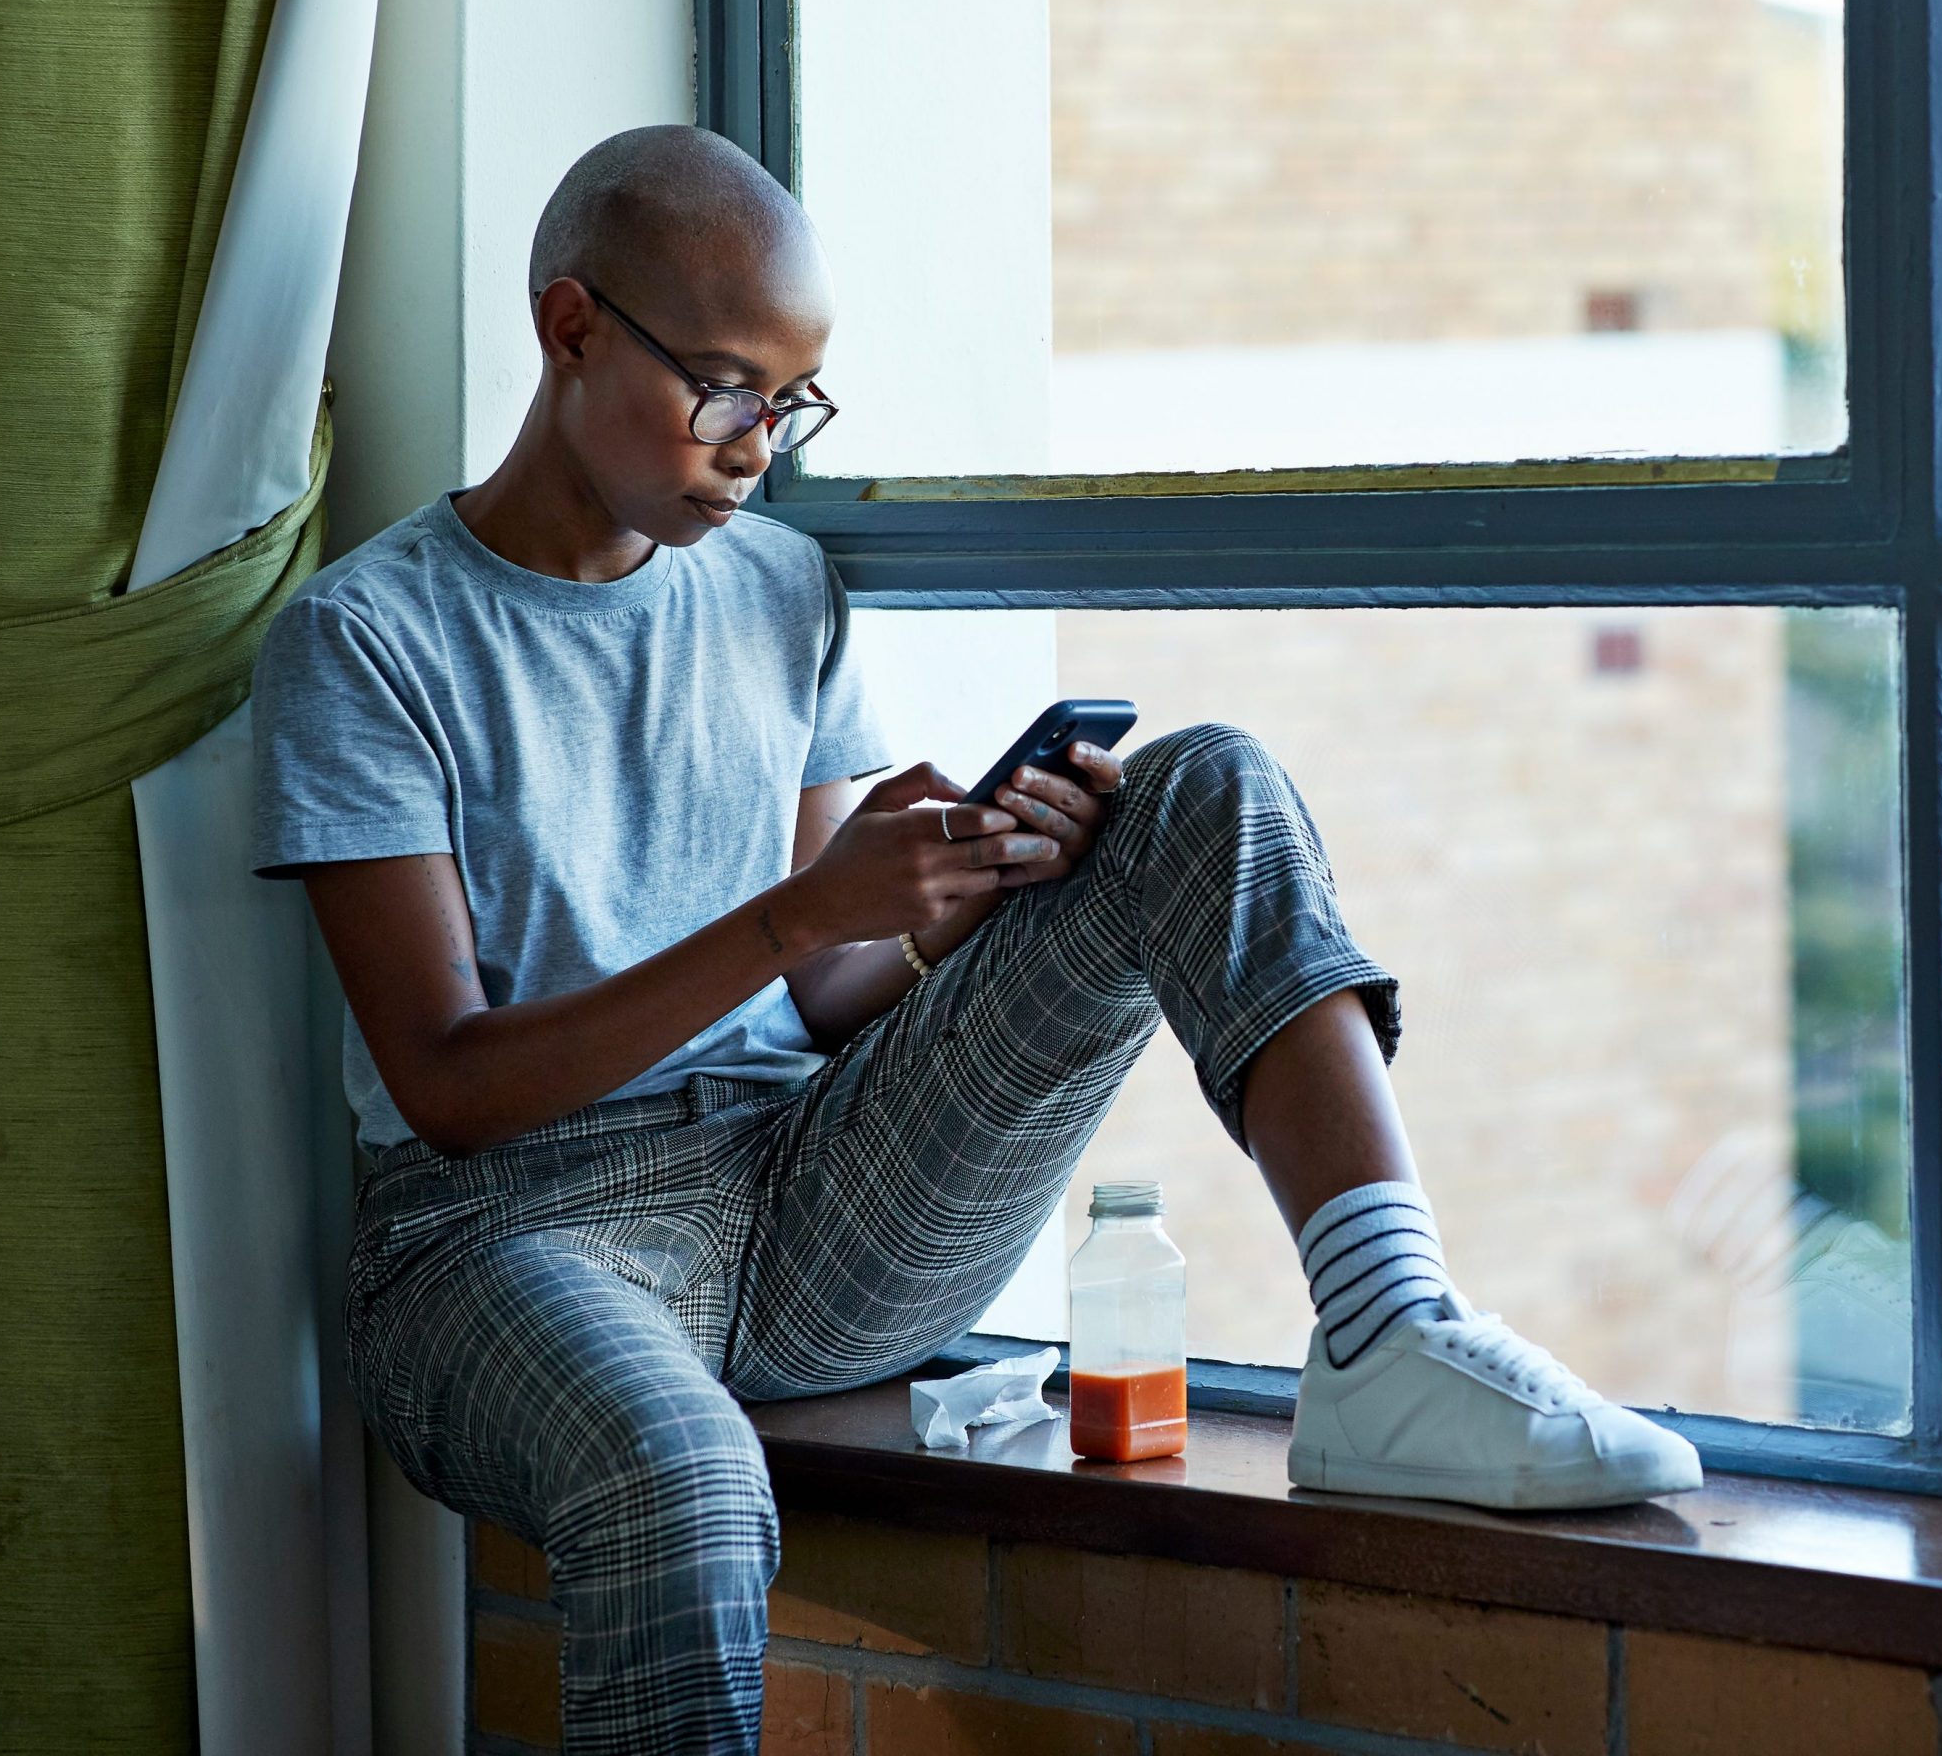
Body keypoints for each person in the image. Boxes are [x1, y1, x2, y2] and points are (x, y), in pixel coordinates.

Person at [249, 124, 1700, 1752]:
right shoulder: (365, 642)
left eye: (791, 405)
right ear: (569, 326)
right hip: (495, 1244)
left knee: (1198, 786)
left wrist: (942, 901)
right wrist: (804, 907)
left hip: (798, 1200)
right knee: (678, 1478)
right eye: (726, 387)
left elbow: (810, 999)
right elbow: (447, 1084)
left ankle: (1389, 1330)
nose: (757, 450)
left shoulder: (782, 593)